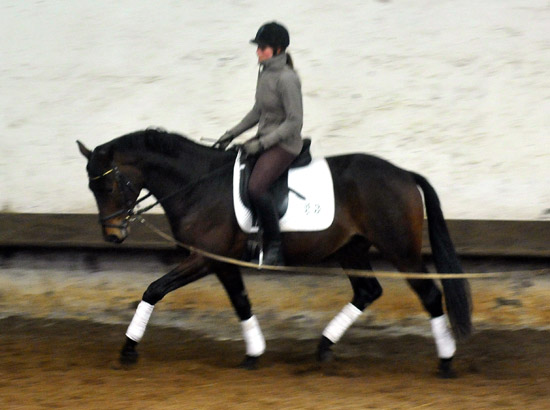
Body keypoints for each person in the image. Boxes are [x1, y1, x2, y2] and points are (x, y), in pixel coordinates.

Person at [214, 21, 304, 266]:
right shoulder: (265, 73)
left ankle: (274, 246)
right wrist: (231, 133)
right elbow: (257, 111)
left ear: (277, 49)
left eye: (262, 47)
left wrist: (262, 144)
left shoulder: (287, 79)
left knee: (256, 188)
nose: (258, 51)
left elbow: (294, 122)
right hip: (266, 138)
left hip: (285, 144)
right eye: (258, 47)